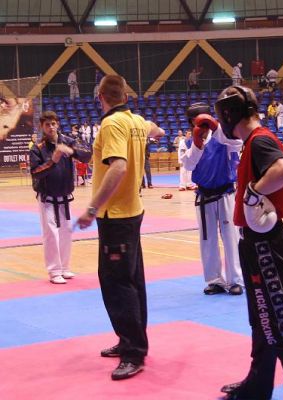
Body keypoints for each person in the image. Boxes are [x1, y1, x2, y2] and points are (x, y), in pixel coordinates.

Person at [215, 85, 283, 400]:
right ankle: (258, 386)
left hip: (267, 246)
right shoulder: (254, 140)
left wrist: (253, 193)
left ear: (228, 114)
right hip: (256, 244)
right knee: (263, 322)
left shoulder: (260, 139)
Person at [76, 74, 164, 381]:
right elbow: (157, 129)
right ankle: (132, 340)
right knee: (132, 280)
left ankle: (133, 352)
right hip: (132, 211)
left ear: (100, 97)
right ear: (125, 97)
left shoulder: (112, 124)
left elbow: (119, 166)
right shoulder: (136, 121)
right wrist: (151, 136)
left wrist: (92, 208)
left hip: (115, 216)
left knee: (117, 284)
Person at [181, 102, 244, 295]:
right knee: (207, 239)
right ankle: (214, 280)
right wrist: (197, 143)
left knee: (231, 237)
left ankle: (236, 280)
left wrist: (216, 128)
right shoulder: (188, 142)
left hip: (225, 193)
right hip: (204, 195)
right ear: (192, 122)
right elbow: (188, 165)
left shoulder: (224, 136)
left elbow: (237, 144)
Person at [29, 111, 92, 284]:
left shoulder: (67, 141)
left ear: (57, 124)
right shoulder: (38, 148)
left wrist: (71, 151)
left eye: (53, 124)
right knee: (51, 234)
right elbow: (35, 172)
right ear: (42, 127)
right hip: (47, 196)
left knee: (66, 232)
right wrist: (53, 160)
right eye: (47, 125)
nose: (51, 127)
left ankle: (64, 267)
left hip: (65, 194)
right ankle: (54, 270)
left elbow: (87, 155)